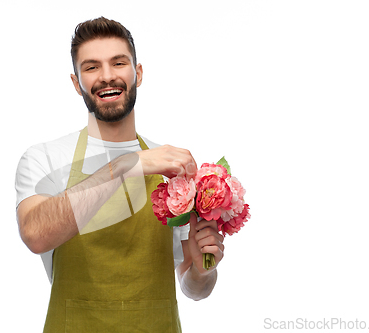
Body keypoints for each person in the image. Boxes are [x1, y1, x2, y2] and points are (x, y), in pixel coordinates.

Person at [15, 17, 225, 332]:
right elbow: (36, 234)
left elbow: (193, 287)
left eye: (118, 63)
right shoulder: (45, 157)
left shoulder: (172, 167)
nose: (107, 76)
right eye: (91, 67)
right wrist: (127, 165)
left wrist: (202, 270)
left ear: (137, 73)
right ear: (77, 83)